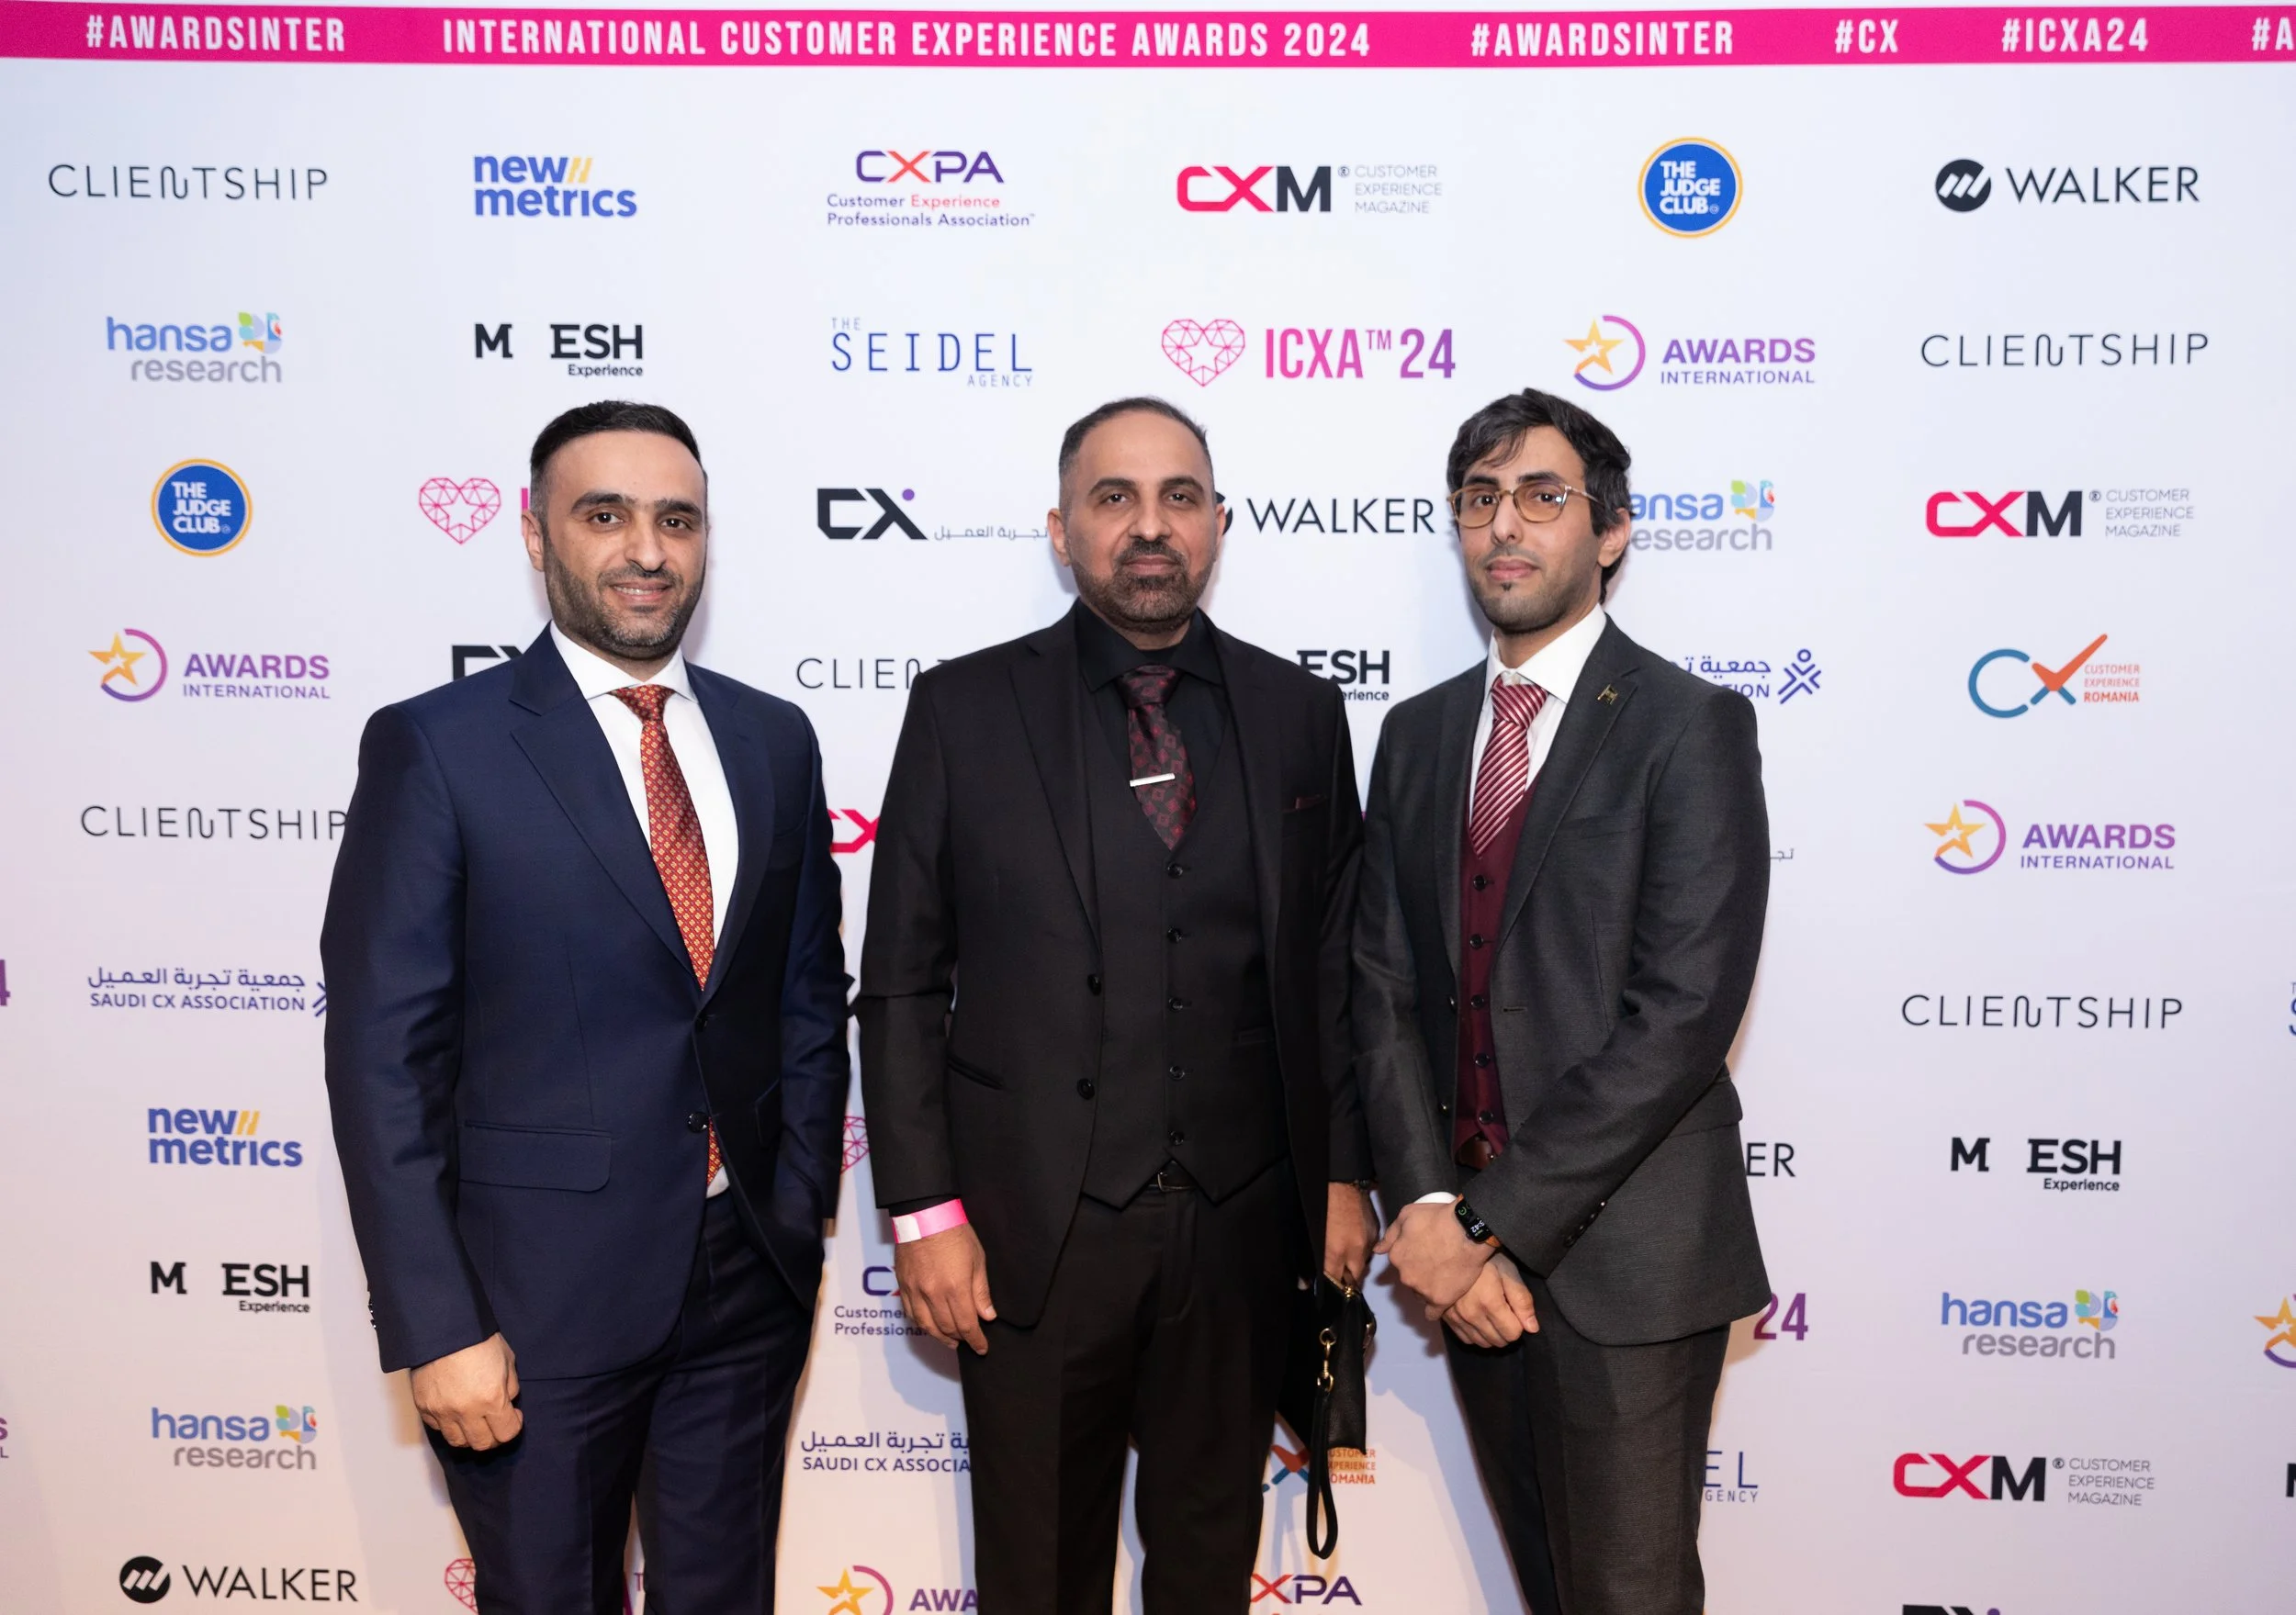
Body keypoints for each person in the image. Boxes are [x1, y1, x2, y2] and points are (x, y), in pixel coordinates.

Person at [321, 400, 849, 1613]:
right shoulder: (438, 748)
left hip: (744, 1283)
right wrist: (437, 1321)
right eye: (602, 515)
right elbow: (382, 1056)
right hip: (530, 1303)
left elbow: (807, 994)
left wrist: (797, 1202)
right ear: (533, 532)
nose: (646, 549)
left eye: (676, 518)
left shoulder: (773, 739)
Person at [857, 397, 1380, 1614]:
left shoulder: (1300, 713)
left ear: (1220, 524)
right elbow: (897, 983)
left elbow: (1331, 969)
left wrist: (1343, 1172)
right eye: (1116, 498)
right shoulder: (962, 710)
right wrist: (925, 1212)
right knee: (1038, 1572)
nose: (1151, 527)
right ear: (1060, 528)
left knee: (1206, 1567)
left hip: (1247, 1228)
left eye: (1180, 498)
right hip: (1033, 1236)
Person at [1355, 388, 1771, 1615]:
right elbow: (1378, 987)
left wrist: (1486, 1222)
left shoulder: (1689, 725)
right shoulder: (1419, 736)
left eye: (1543, 495)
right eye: (1479, 498)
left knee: (1629, 1597)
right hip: (1468, 1266)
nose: (1505, 525)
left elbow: (1684, 1011)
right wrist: (1428, 1205)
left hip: (1628, 1268)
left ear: (1614, 530)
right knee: (1549, 1588)